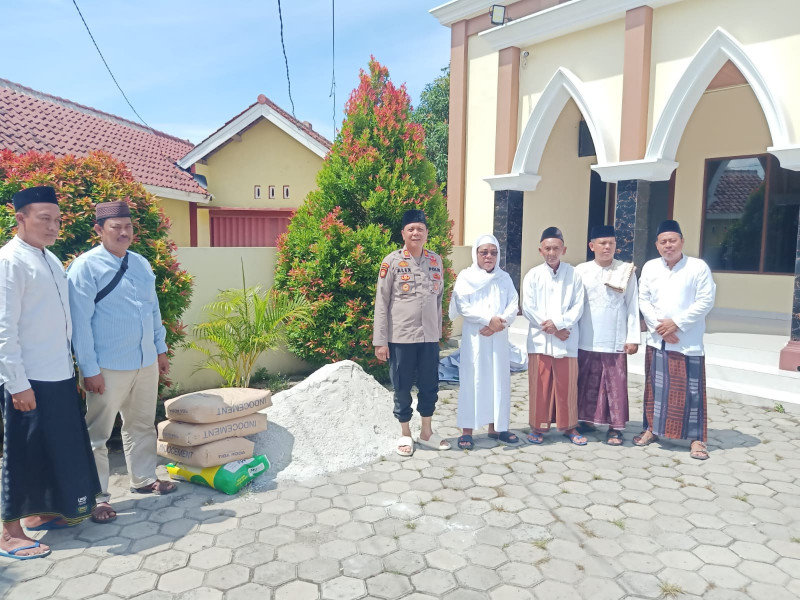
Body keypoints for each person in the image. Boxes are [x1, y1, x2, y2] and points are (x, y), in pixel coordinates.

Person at [0, 186, 101, 560]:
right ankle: (9, 533)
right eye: (44, 219)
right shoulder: (10, 261)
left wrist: (70, 369)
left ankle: (45, 512)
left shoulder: (51, 259)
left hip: (57, 373)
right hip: (28, 378)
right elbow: (4, 329)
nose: (53, 226)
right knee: (22, 452)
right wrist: (17, 383)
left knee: (53, 447)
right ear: (21, 218)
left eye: (57, 220)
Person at [67, 200, 175, 524]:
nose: (124, 232)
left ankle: (143, 479)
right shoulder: (84, 268)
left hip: (144, 362)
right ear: (100, 230)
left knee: (141, 424)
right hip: (107, 367)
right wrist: (89, 368)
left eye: (128, 227)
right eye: (116, 228)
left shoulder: (141, 264)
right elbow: (79, 323)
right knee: (97, 434)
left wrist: (160, 349)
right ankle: (98, 497)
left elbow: (152, 310)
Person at [635, 219, 716, 460]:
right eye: (663, 242)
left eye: (672, 240)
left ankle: (696, 439)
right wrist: (660, 327)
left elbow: (705, 301)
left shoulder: (698, 267)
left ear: (682, 241)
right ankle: (652, 429)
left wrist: (676, 324)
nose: (668, 245)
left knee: (691, 392)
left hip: (687, 340)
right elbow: (643, 299)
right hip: (658, 339)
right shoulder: (650, 267)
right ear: (656, 245)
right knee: (656, 389)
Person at [373, 209, 450, 456]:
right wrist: (380, 341)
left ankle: (426, 432)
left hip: (428, 337)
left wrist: (437, 334)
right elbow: (381, 303)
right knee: (402, 386)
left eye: (420, 229)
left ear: (427, 233)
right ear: (403, 234)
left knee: (430, 385)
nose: (416, 233)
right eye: (411, 229)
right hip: (401, 337)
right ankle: (405, 434)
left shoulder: (436, 261)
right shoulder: (392, 262)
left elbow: (438, 301)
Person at [449, 234, 520, 450]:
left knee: (498, 380)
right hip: (475, 338)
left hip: (498, 338)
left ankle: (497, 428)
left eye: (493, 252)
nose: (489, 256)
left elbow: (513, 303)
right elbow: (463, 306)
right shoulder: (465, 277)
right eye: (484, 252)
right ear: (476, 254)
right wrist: (488, 320)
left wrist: (501, 322)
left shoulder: (504, 278)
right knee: (473, 381)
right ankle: (467, 431)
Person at [575, 225, 640, 446]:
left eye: (611, 243)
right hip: (586, 335)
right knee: (587, 381)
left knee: (614, 384)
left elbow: (632, 305)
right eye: (602, 243)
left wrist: (633, 338)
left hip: (614, 337)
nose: (607, 247)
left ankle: (615, 427)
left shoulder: (625, 270)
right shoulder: (580, 271)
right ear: (592, 246)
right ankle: (586, 420)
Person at [522, 227, 585, 445]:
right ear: (540, 250)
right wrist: (551, 328)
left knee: (567, 385)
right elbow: (528, 307)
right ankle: (538, 427)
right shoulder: (533, 275)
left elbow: (578, 306)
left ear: (563, 249)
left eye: (556, 248)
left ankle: (570, 427)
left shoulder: (573, 274)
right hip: (540, 341)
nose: (551, 252)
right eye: (547, 248)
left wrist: (560, 324)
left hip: (566, 338)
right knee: (540, 385)